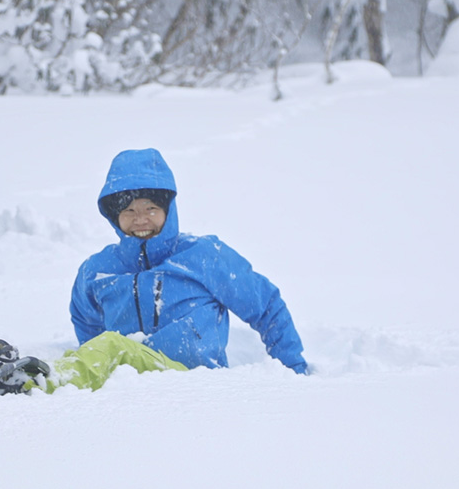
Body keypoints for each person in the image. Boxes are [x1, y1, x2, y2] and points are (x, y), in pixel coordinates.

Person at [64, 148, 307, 383]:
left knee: (110, 346)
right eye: (128, 210)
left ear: (168, 210)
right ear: (114, 215)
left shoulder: (203, 256)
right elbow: (86, 322)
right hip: (127, 390)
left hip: (195, 384)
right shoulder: (97, 270)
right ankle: (42, 379)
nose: (140, 220)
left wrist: (292, 371)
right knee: (102, 350)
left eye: (151, 209)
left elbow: (266, 306)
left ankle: (41, 384)